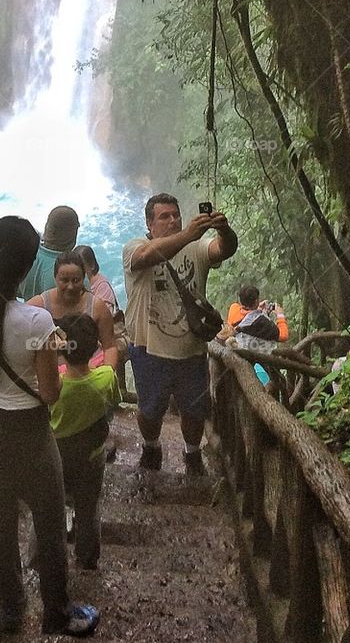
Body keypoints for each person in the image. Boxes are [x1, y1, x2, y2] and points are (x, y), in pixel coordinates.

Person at [0, 217, 99, 637]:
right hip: (28, 435)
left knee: (0, 518)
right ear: (30, 266)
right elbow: (50, 394)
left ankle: (11, 612)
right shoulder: (36, 323)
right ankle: (56, 613)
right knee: (48, 524)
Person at [123, 193, 238, 475]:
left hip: (191, 348)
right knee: (150, 410)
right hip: (148, 347)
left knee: (194, 411)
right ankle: (151, 446)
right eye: (164, 217)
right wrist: (187, 234)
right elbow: (146, 257)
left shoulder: (196, 248)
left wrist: (223, 229)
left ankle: (192, 453)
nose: (173, 220)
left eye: (176, 215)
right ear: (149, 224)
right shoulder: (134, 247)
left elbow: (225, 249)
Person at [49, 313, 120, 570]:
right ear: (96, 348)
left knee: (49, 507)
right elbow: (112, 403)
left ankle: (42, 559)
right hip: (91, 456)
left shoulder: (53, 385)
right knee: (89, 507)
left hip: (56, 457)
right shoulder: (106, 378)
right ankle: (87, 558)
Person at [28, 252, 119, 372]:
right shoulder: (39, 305)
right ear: (55, 278)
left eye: (76, 280)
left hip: (92, 371)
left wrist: (107, 375)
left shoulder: (97, 307)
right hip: (52, 376)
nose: (70, 286)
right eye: (64, 280)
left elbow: (110, 347)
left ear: (84, 278)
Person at [73, 243, 129, 406]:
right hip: (103, 338)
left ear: (90, 265)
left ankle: (109, 398)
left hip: (116, 337)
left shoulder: (101, 285)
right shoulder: (87, 286)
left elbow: (102, 318)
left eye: (81, 267)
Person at [19, 205, 79, 300]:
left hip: (28, 313)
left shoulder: (26, 258)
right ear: (73, 233)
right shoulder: (74, 273)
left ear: (47, 227)